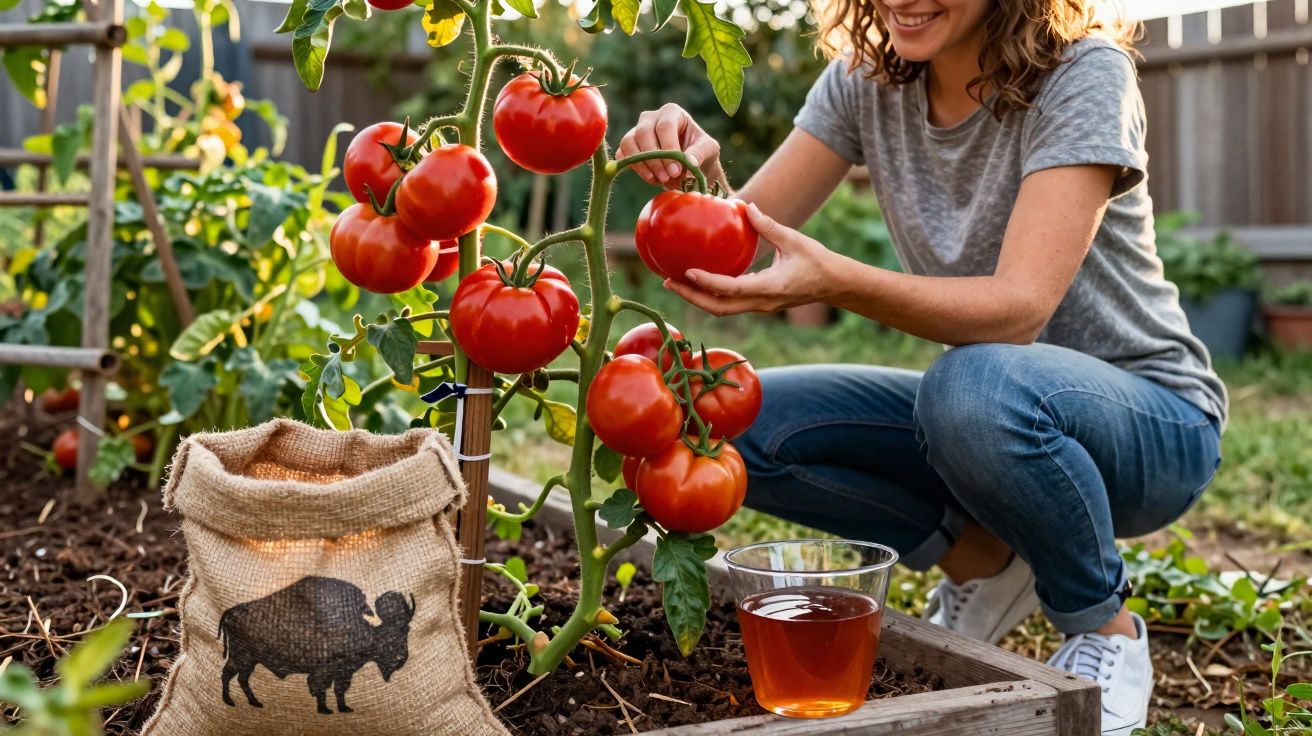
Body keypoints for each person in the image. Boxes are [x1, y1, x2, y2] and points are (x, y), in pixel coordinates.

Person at [617, 0, 1226, 733]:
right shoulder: (864, 83)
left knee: (970, 386)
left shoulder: (1083, 74)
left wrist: (835, 280)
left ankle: (1104, 629)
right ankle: (985, 564)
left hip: (1152, 425)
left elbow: (1017, 309)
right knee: (738, 426)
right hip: (990, 416)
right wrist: (699, 179)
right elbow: (739, 243)